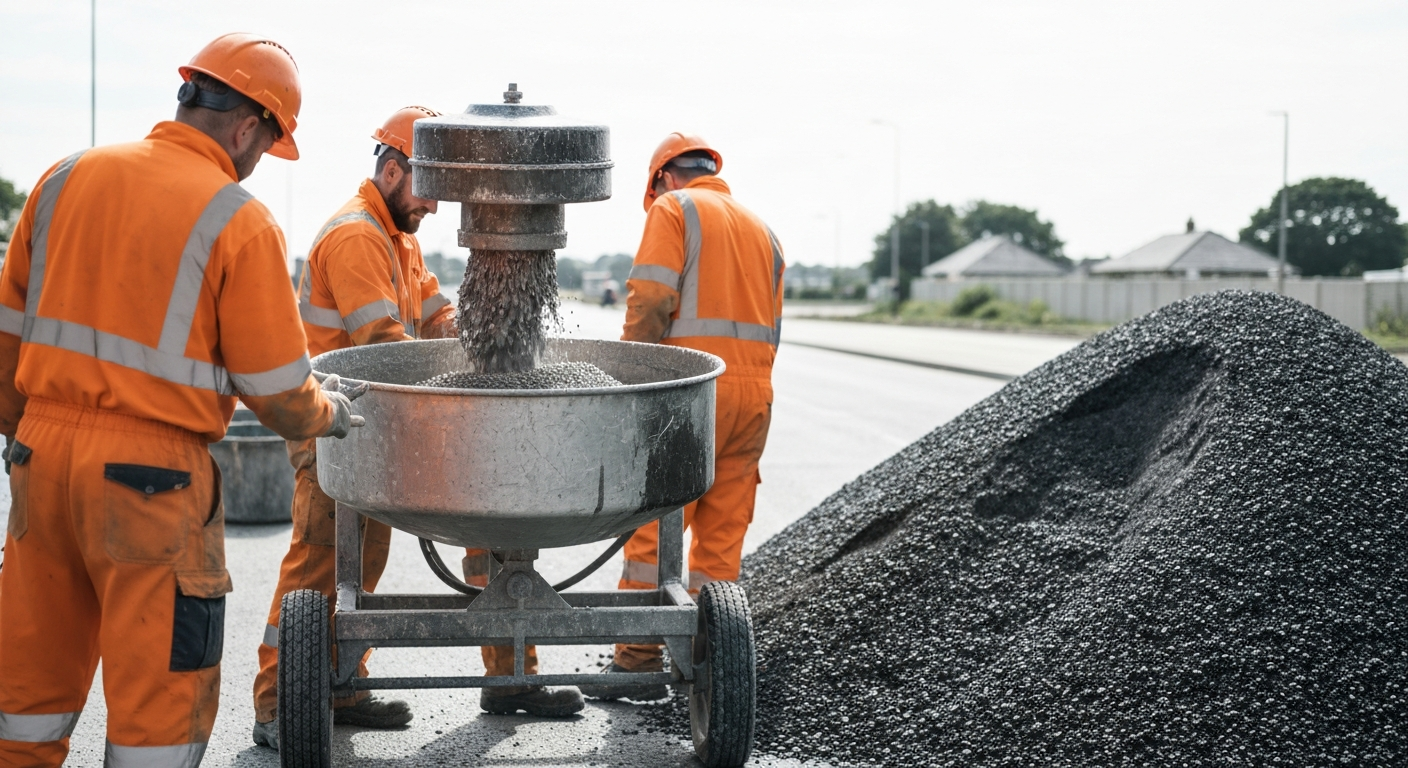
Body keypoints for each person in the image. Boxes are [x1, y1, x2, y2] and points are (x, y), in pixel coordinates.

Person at [0, 33, 362, 767]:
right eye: (267, 143)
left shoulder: (63, 178)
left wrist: (22, 435)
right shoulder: (238, 217)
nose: (259, 160)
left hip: (40, 459)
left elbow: (6, 335)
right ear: (246, 126)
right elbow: (276, 390)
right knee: (159, 702)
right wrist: (329, 414)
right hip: (152, 479)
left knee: (27, 690)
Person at [250, 106, 581, 750]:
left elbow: (432, 313)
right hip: (337, 427)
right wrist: (450, 396)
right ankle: (278, 706)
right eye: (430, 191)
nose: (434, 208)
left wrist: (490, 337)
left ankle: (483, 678)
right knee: (321, 567)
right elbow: (384, 343)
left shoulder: (397, 236)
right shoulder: (355, 237)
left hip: (377, 420)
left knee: (375, 563)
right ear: (396, 169)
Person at [580, 133, 784, 701]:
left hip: (692, 396)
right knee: (721, 534)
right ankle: (710, 662)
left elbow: (649, 299)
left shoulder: (676, 209)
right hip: (755, 394)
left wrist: (631, 377)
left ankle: (641, 662)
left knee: (656, 521)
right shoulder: (762, 230)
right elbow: (774, 326)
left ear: (664, 179)